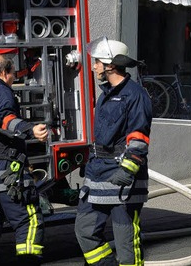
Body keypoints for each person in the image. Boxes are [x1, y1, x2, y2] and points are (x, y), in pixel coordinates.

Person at [75, 37, 152, 266]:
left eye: (97, 62)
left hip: (123, 179)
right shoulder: (105, 94)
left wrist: (128, 169)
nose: (94, 66)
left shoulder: (135, 95)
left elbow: (139, 136)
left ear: (110, 65)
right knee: (85, 231)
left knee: (126, 245)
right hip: (98, 175)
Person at [0, 54, 49, 265]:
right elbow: (7, 120)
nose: (14, 78)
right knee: (29, 221)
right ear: (4, 73)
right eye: (13, 73)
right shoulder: (3, 92)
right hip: (7, 168)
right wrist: (30, 129)